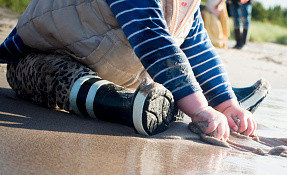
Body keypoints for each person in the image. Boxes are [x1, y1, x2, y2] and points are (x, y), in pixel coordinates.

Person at [0, 0, 267, 139]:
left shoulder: (187, 7)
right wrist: (199, 109)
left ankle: (183, 98)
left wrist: (226, 103)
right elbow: (153, 39)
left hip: (110, 64)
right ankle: (122, 105)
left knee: (175, 69)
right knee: (45, 72)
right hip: (47, 53)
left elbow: (198, 50)